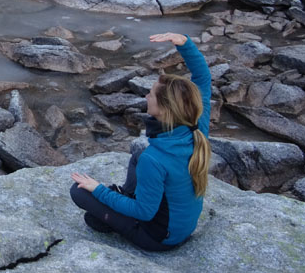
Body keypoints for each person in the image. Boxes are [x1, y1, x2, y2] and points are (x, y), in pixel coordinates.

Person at [69, 32, 211, 251]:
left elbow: (144, 212)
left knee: (79, 193)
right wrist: (185, 43)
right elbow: (203, 79)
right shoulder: (196, 126)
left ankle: (122, 204)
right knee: (138, 155)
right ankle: (125, 195)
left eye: (151, 95)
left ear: (164, 110)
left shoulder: (155, 159)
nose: (146, 97)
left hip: (157, 238)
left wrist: (98, 189)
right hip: (181, 227)